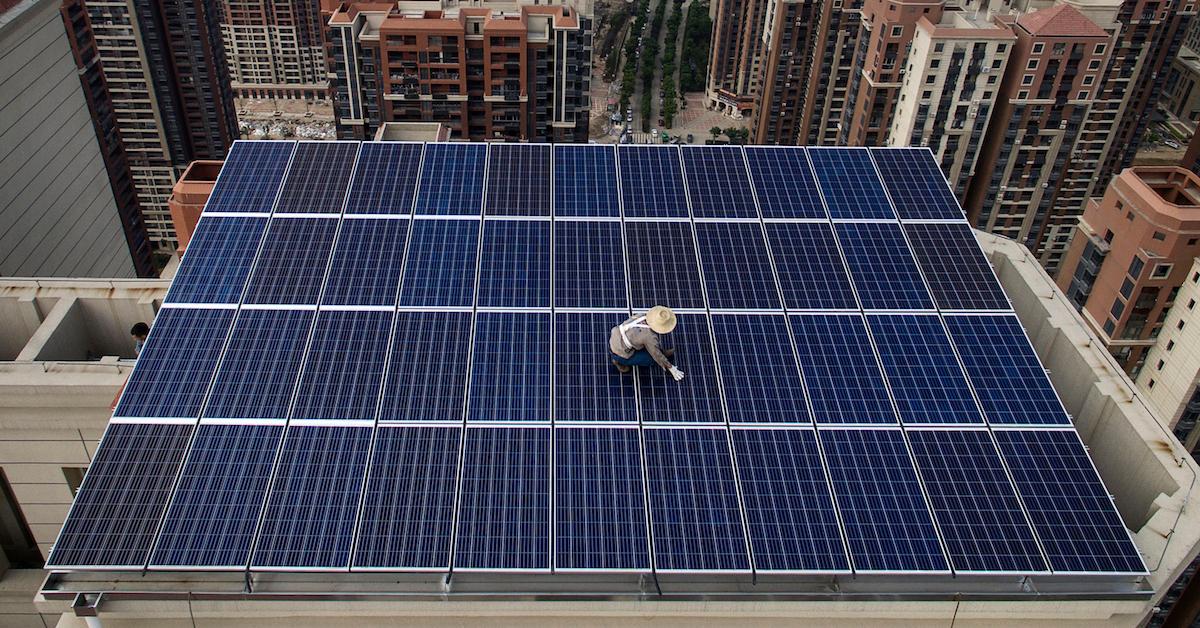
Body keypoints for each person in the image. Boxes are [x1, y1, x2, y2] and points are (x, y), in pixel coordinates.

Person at [610, 306, 685, 381]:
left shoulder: (642, 315)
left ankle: (661, 352)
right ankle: (619, 362)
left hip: (615, 337)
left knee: (648, 345)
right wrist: (670, 367)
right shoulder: (650, 337)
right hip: (620, 352)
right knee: (651, 359)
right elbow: (656, 355)